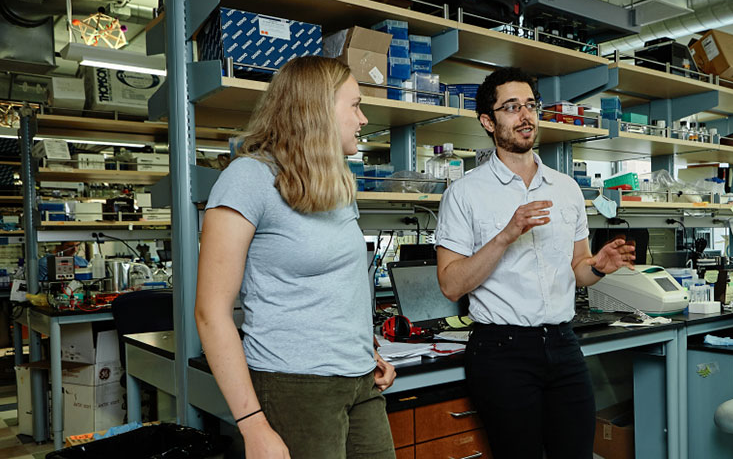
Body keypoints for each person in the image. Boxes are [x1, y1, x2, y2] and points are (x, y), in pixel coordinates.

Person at [195, 56, 397, 459]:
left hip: (360, 380)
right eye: (354, 105)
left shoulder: (336, 181)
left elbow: (336, 286)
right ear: (318, 108)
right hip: (294, 386)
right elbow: (210, 313)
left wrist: (365, 350)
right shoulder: (248, 179)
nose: (363, 118)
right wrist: (252, 424)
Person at [434, 67, 635, 459]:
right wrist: (507, 234)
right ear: (488, 121)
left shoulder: (567, 188)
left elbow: (578, 269)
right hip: (501, 351)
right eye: (511, 107)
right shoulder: (464, 194)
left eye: (530, 105)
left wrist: (597, 265)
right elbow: (451, 285)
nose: (525, 115)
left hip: (563, 344)